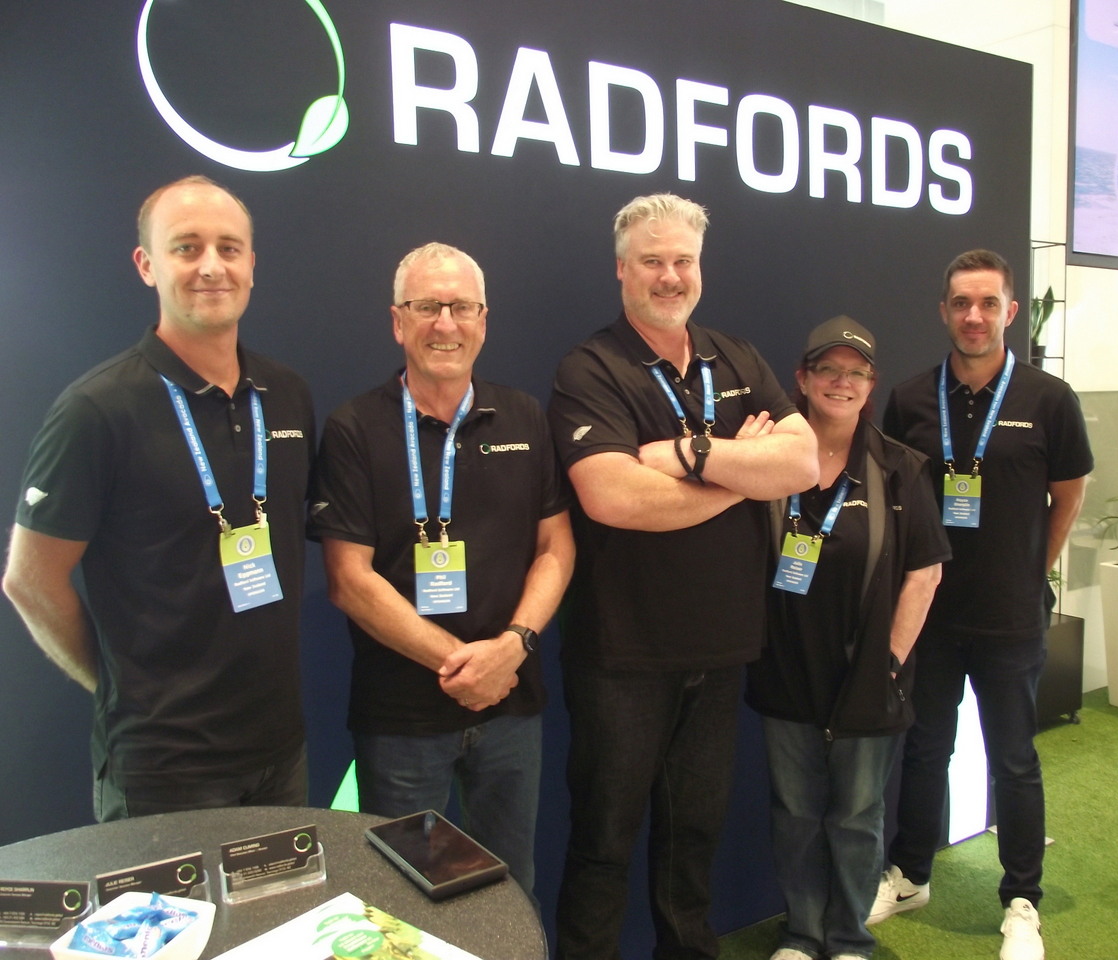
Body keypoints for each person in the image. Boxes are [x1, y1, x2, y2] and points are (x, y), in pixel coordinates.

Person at [548, 193, 819, 960]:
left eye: (683, 261)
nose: (670, 276)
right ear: (621, 270)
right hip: (623, 660)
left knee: (692, 842)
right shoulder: (589, 369)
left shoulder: (735, 357)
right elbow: (614, 497)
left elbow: (802, 461)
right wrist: (744, 472)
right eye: (652, 262)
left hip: (721, 649)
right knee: (603, 843)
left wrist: (692, 456)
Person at [2, 175, 314, 820]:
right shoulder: (97, 408)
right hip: (164, 770)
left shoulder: (285, 394)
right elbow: (30, 581)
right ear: (147, 265)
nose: (212, 266)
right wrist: (120, 688)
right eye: (186, 247)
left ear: (252, 265)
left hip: (279, 753)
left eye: (229, 248)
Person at [308, 242, 573, 898]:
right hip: (402, 717)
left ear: (484, 320)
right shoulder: (354, 427)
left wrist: (512, 648)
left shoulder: (523, 416)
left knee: (509, 888)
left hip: (512, 702)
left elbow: (556, 548)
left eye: (461, 307)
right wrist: (463, 665)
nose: (445, 323)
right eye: (427, 306)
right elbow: (348, 578)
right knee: (401, 894)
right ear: (397, 321)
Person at [873, 250, 1093, 960]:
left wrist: (1031, 570)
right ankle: (911, 874)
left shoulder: (1049, 398)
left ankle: (1022, 901)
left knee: (1014, 759)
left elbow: (1069, 496)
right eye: (962, 303)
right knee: (924, 748)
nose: (974, 316)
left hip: (1009, 618)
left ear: (1010, 312)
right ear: (944, 311)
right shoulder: (910, 398)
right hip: (931, 615)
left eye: (988, 303)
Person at [746, 315, 950, 960]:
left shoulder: (899, 467)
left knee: (858, 815)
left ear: (871, 384)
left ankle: (849, 938)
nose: (842, 382)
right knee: (795, 813)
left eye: (855, 373)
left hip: (869, 675)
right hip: (786, 669)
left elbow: (925, 573)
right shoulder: (769, 459)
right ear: (802, 379)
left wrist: (888, 661)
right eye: (828, 370)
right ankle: (803, 934)